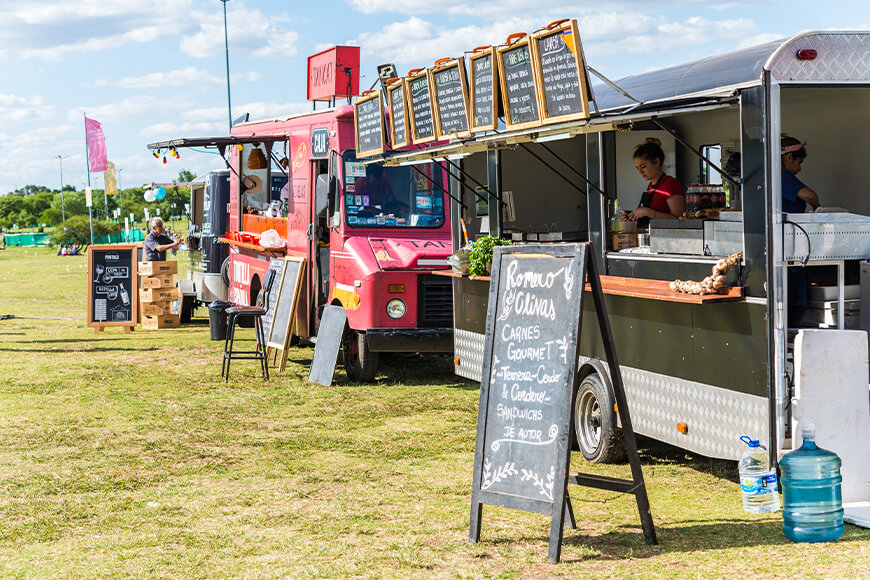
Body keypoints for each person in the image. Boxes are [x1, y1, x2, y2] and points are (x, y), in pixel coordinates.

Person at [623, 137, 685, 224]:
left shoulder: (671, 184)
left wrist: (647, 212)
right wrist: (633, 214)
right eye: (637, 168)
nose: (640, 172)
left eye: (643, 167)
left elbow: (679, 220)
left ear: (656, 162)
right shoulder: (651, 186)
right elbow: (652, 213)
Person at [781, 135, 820, 213]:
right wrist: (818, 208)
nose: (799, 169)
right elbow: (810, 196)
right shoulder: (782, 175)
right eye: (799, 162)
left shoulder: (774, 176)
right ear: (789, 157)